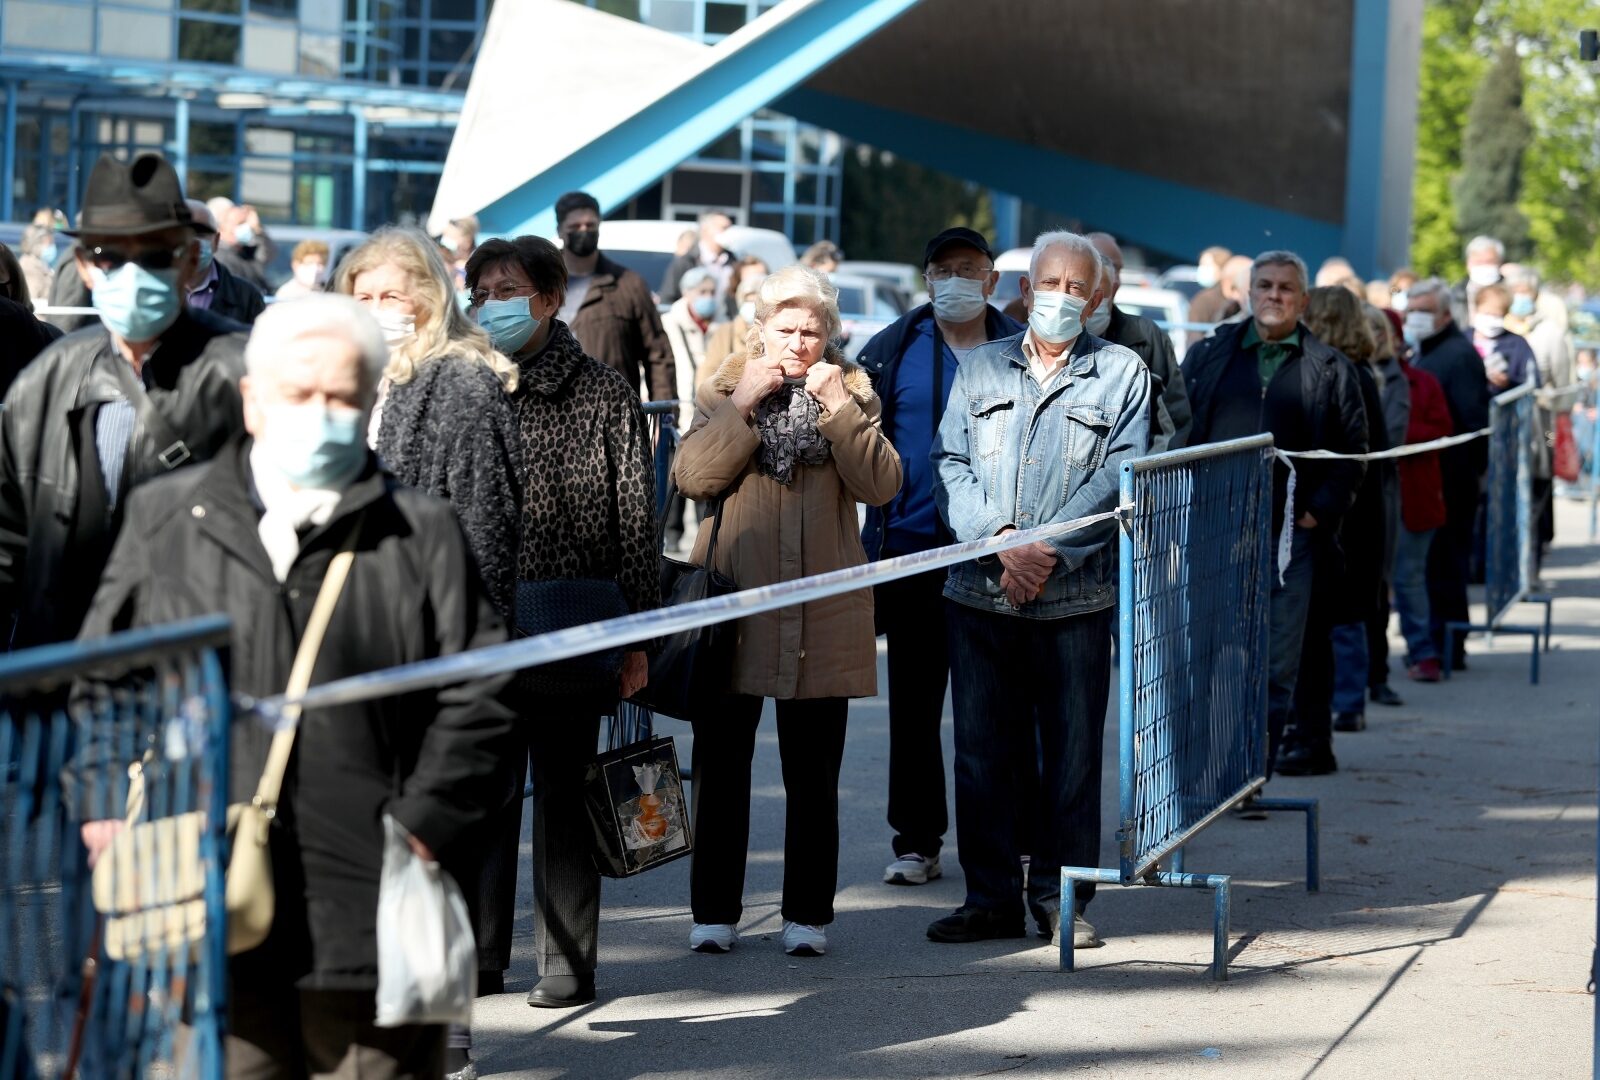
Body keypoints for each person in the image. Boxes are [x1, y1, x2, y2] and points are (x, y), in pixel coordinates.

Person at [76, 293, 516, 1079]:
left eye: (342, 396)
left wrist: (421, 822)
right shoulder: (167, 518)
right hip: (200, 899)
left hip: (369, 908)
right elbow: (105, 682)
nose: (321, 413)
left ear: (372, 400)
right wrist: (106, 807)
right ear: (252, 400)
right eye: (298, 394)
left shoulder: (421, 532)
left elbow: (479, 694)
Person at [928, 231, 1150, 951]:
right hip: (980, 594)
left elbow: (1122, 474)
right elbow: (950, 465)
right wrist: (1002, 543)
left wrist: (1044, 550)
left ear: (1096, 297)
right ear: (1024, 292)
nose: (1058, 297)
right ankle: (988, 897)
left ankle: (1062, 899)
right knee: (981, 753)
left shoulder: (1122, 373)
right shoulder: (979, 367)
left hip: (1075, 598)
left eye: (1074, 287)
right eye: (1047, 283)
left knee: (1073, 756)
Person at [674, 265, 901, 958]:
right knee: (721, 768)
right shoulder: (722, 388)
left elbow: (882, 484)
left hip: (823, 607)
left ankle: (807, 915)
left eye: (812, 331)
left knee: (812, 774)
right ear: (760, 329)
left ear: (829, 336)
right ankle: (715, 912)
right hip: (733, 607)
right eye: (785, 328)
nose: (798, 342)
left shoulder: (853, 391)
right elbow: (693, 477)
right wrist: (743, 403)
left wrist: (839, 409)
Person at [463, 235, 659, 1008]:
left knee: (568, 795)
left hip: (574, 623)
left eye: (506, 291)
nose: (491, 307)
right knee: (481, 794)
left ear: (549, 298)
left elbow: (636, 522)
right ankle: (478, 955)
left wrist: (637, 636)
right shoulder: (463, 385)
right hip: (476, 624)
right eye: (481, 293)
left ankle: (567, 959)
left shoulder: (604, 391)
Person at [0, 152, 247, 650]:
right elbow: (7, 533)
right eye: (111, 255)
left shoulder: (245, 370)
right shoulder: (51, 373)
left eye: (155, 254)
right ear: (86, 267)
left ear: (189, 259)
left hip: (196, 665)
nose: (132, 273)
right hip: (61, 664)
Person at [856, 226, 1021, 889]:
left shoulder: (1021, 347)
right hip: (914, 554)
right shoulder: (892, 349)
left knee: (997, 708)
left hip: (997, 554)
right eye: (943, 268)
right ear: (926, 278)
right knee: (916, 709)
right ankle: (917, 841)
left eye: (969, 267)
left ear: (992, 280)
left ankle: (1003, 841)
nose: (956, 278)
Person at [1182, 251, 1368, 776]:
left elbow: (1353, 452)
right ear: (1247, 291)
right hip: (1216, 535)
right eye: (1264, 285)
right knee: (1208, 657)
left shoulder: (1329, 368)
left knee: (1276, 665)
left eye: (1286, 288)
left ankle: (1248, 774)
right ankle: (1195, 781)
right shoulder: (1211, 355)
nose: (1274, 296)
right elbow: (1178, 431)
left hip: (1291, 542)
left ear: (1303, 300)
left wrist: (1316, 512)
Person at [1285, 288, 1387, 771]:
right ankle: (1307, 730)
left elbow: (1357, 457)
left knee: (1319, 637)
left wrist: (1319, 512)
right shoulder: (1339, 371)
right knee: (1316, 636)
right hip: (1338, 525)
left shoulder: (1345, 374)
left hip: (1338, 527)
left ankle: (1314, 734)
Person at [1404, 278, 1490, 669]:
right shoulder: (1425, 352)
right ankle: (1439, 640)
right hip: (1433, 480)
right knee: (1433, 566)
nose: (1414, 319)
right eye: (1410, 310)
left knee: (1447, 565)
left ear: (1443, 314)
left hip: (1451, 481)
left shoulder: (1458, 356)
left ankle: (1451, 643)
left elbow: (1471, 424)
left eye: (1422, 311)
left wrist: (1467, 474)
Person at [554, 191, 677, 403]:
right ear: (560, 230)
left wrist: (663, 418)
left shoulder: (628, 283)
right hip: (551, 413)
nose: (583, 231)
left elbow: (658, 354)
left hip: (614, 413)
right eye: (575, 227)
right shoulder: (542, 282)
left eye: (590, 225)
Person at [1087, 232, 1192, 450]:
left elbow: (1172, 422)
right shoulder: (1045, 336)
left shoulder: (1145, 337)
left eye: (1117, 268)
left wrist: (1149, 473)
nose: (1114, 276)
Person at [1393, 316, 1454, 683]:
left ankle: (1423, 651)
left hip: (1416, 495)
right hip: (1373, 497)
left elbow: (1442, 428)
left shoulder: (1424, 382)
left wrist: (1398, 432)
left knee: (1409, 577)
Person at [183, 199, 266, 325]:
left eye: (201, 233)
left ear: (216, 241)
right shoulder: (150, 290)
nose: (194, 243)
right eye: (185, 234)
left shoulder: (247, 296)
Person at [665, 266, 719, 421]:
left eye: (712, 292)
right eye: (702, 292)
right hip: (678, 405)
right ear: (686, 293)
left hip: (709, 409)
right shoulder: (670, 323)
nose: (708, 297)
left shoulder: (721, 326)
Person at [1503, 265, 1571, 388]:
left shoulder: (1549, 329)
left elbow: (1560, 369)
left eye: (1524, 292)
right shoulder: (1500, 324)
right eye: (1515, 291)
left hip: (1540, 396)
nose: (1519, 296)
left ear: (1535, 294)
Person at [1471, 283, 1539, 390]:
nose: (1491, 319)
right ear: (1476, 310)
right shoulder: (1461, 341)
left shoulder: (1518, 344)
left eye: (1497, 315)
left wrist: (1508, 383)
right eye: (1487, 313)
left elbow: (1532, 382)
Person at [702, 272, 765, 384]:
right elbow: (707, 373)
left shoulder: (775, 333)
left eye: (757, 302)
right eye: (748, 301)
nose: (752, 306)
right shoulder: (725, 332)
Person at [660, 209, 733, 304]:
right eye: (723, 228)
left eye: (729, 228)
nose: (729, 233)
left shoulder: (733, 262)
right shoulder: (686, 262)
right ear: (705, 229)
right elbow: (668, 297)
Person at [215, 202, 277, 293]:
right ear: (222, 227)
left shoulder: (246, 252)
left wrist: (258, 229)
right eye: (240, 223)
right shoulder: (219, 256)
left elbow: (269, 253)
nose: (245, 227)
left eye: (246, 223)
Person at [1187, 245, 1239, 337]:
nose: (1201, 269)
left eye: (1206, 265)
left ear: (1222, 268)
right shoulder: (1204, 298)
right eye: (1201, 264)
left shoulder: (1235, 299)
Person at [1455, 235, 1505, 324]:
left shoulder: (1510, 290)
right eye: (1478, 262)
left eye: (1489, 261)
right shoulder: (1455, 294)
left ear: (1500, 262)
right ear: (1468, 264)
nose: (1484, 266)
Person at [19, 220, 58, 301]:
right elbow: (32, 302)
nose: (52, 245)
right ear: (36, 243)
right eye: (48, 242)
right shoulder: (29, 267)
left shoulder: (40, 264)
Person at [441, 215, 479, 286]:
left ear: (467, 241)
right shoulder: (443, 255)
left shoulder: (478, 266)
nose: (445, 242)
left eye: (452, 238)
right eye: (444, 235)